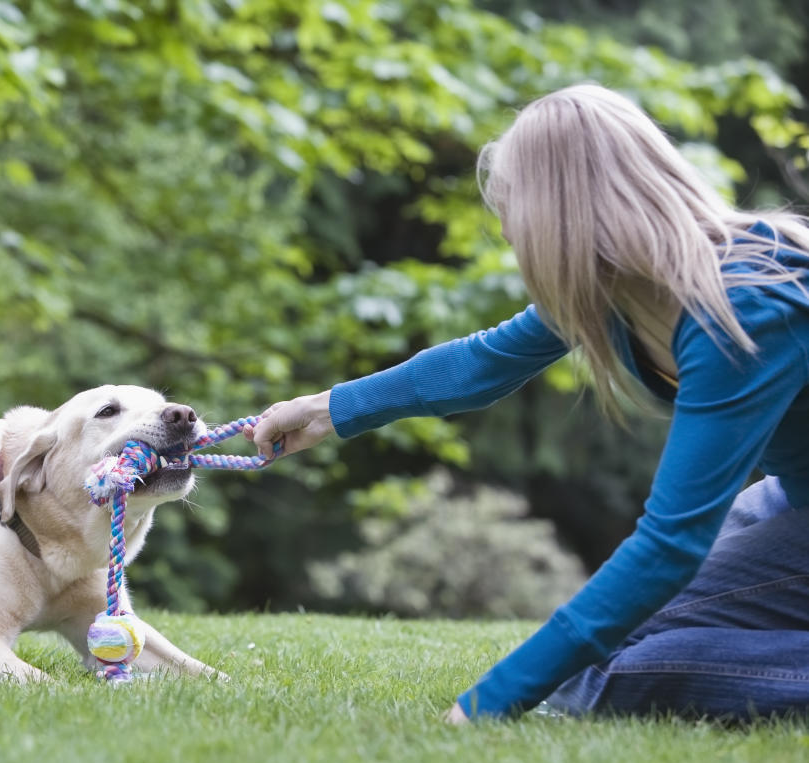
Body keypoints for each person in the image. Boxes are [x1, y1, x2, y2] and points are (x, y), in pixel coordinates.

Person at [246, 83, 809, 722]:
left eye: (511, 206)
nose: (509, 230)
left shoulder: (743, 310)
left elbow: (670, 543)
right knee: (606, 649)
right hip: (793, 500)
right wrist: (326, 409)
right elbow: (481, 361)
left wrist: (487, 703)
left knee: (612, 676)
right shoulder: (621, 291)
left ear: (559, 213)